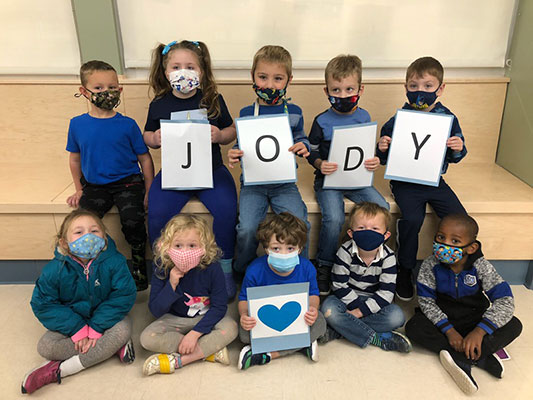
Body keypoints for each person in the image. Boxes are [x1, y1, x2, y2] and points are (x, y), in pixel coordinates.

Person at [143, 40, 238, 300]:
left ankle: (225, 268)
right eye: (176, 66)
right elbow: (146, 135)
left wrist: (219, 135)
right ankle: (162, 270)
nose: (183, 71)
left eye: (190, 66)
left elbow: (231, 131)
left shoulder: (213, 100)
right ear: (165, 72)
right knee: (157, 213)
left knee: (228, 210)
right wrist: (155, 138)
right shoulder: (159, 104)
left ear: (202, 70)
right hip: (175, 172)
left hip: (211, 171)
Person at [376, 56, 467, 301]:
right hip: (405, 182)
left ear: (440, 88)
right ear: (406, 87)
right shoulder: (399, 120)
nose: (420, 92)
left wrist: (457, 147)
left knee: (459, 219)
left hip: (434, 180)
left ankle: (453, 270)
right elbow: (381, 156)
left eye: (428, 86)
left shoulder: (447, 118)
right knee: (413, 220)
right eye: (414, 86)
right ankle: (404, 270)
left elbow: (458, 155)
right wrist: (382, 147)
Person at [21, 209, 137, 394]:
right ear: (64, 243)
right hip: (74, 321)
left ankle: (60, 370)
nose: (88, 236)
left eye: (94, 231)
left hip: (107, 319)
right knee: (46, 347)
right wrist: (77, 329)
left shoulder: (115, 261)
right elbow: (43, 303)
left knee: (122, 330)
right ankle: (110, 349)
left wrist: (98, 327)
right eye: (79, 232)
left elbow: (124, 295)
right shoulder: (55, 269)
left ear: (105, 237)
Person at [405, 214, 522, 395]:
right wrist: (449, 331)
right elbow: (426, 302)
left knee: (514, 325)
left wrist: (479, 331)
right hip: (443, 320)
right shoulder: (430, 265)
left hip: (474, 319)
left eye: (455, 240)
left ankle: (469, 353)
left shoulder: (481, 266)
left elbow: (505, 300)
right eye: (441, 237)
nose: (445, 244)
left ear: (471, 247)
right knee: (414, 327)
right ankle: (474, 357)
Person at [66, 60, 154, 291]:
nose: (107, 92)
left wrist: (149, 188)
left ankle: (137, 264)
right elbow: (74, 158)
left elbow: (145, 158)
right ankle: (87, 267)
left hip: (128, 183)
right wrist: (78, 188)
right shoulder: (77, 124)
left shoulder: (127, 124)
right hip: (95, 186)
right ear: (84, 92)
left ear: (120, 89)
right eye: (99, 88)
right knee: (83, 222)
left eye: (112, 87)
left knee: (133, 221)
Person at [307, 55, 389, 295]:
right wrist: (320, 163)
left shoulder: (364, 117)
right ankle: (326, 265)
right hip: (328, 181)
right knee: (333, 217)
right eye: (336, 90)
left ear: (360, 89)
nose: (343, 95)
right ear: (327, 90)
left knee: (381, 206)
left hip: (357, 180)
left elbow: (366, 151)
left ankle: (374, 261)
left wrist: (374, 160)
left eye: (349, 89)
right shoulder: (321, 121)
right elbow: (310, 152)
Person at [228, 45, 311, 278]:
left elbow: (302, 138)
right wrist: (234, 153)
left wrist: (304, 146)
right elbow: (241, 146)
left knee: (302, 224)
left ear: (288, 80)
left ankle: (299, 271)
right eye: (262, 77)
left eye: (278, 78)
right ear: (252, 77)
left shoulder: (294, 112)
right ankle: (242, 270)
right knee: (246, 229)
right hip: (253, 184)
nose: (269, 85)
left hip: (284, 183)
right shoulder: (246, 113)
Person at [140, 214, 238, 375]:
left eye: (192, 246)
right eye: (178, 246)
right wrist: (171, 284)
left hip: (205, 318)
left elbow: (220, 307)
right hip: (174, 318)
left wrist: (194, 334)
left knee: (231, 327)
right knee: (146, 338)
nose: (184, 252)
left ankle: (179, 361)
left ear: (204, 247)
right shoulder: (162, 268)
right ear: (166, 246)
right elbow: (156, 310)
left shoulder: (213, 268)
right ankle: (208, 351)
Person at [237, 212, 326, 370]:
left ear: (300, 249)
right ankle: (302, 346)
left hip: (296, 320)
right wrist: (244, 316)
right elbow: (244, 298)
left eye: (290, 248)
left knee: (320, 323)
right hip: (266, 322)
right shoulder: (254, 270)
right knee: (244, 334)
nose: (283, 254)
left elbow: (313, 294)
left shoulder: (307, 268)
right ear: (266, 249)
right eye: (276, 248)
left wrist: (312, 309)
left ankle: (268, 355)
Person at [320, 202, 411, 352]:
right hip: (346, 298)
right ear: (351, 233)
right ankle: (377, 338)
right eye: (361, 228)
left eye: (375, 229)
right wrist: (355, 306)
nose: (368, 232)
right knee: (328, 310)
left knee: (397, 317)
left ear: (386, 235)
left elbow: (386, 293)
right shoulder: (345, 251)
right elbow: (338, 285)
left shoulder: (388, 257)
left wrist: (359, 312)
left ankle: (339, 331)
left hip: (373, 299)